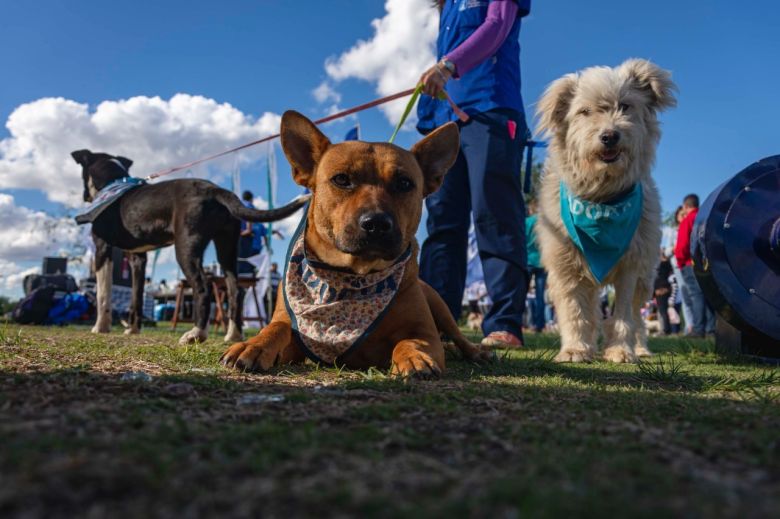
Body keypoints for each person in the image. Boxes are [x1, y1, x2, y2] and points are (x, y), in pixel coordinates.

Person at [417, 0, 532, 349]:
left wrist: (448, 66)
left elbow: (496, 26)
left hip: (491, 112)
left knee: (495, 216)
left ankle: (504, 324)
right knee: (442, 224)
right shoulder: (447, 6)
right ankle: (435, 323)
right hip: (445, 120)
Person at [674, 194, 715, 337]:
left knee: (696, 295)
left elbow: (682, 245)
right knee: (707, 294)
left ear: (685, 206)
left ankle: (698, 329)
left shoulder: (688, 220)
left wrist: (680, 260)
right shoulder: (705, 217)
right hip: (706, 263)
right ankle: (711, 329)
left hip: (688, 263)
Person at [525, 200, 546, 333]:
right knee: (540, 296)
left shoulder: (527, 222)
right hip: (542, 261)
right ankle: (539, 325)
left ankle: (516, 322)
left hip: (528, 260)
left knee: (521, 294)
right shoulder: (545, 222)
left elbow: (522, 239)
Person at [238, 190, 267, 275]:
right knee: (247, 264)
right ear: (251, 199)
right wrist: (248, 229)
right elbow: (249, 217)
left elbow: (264, 234)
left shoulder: (239, 205)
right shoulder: (249, 205)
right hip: (247, 240)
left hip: (246, 241)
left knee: (243, 262)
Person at [653, 252, 673, 335]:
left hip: (661, 290)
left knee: (662, 311)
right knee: (662, 311)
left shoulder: (662, 264)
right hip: (662, 289)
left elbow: (659, 278)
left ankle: (665, 329)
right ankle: (665, 329)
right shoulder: (667, 264)